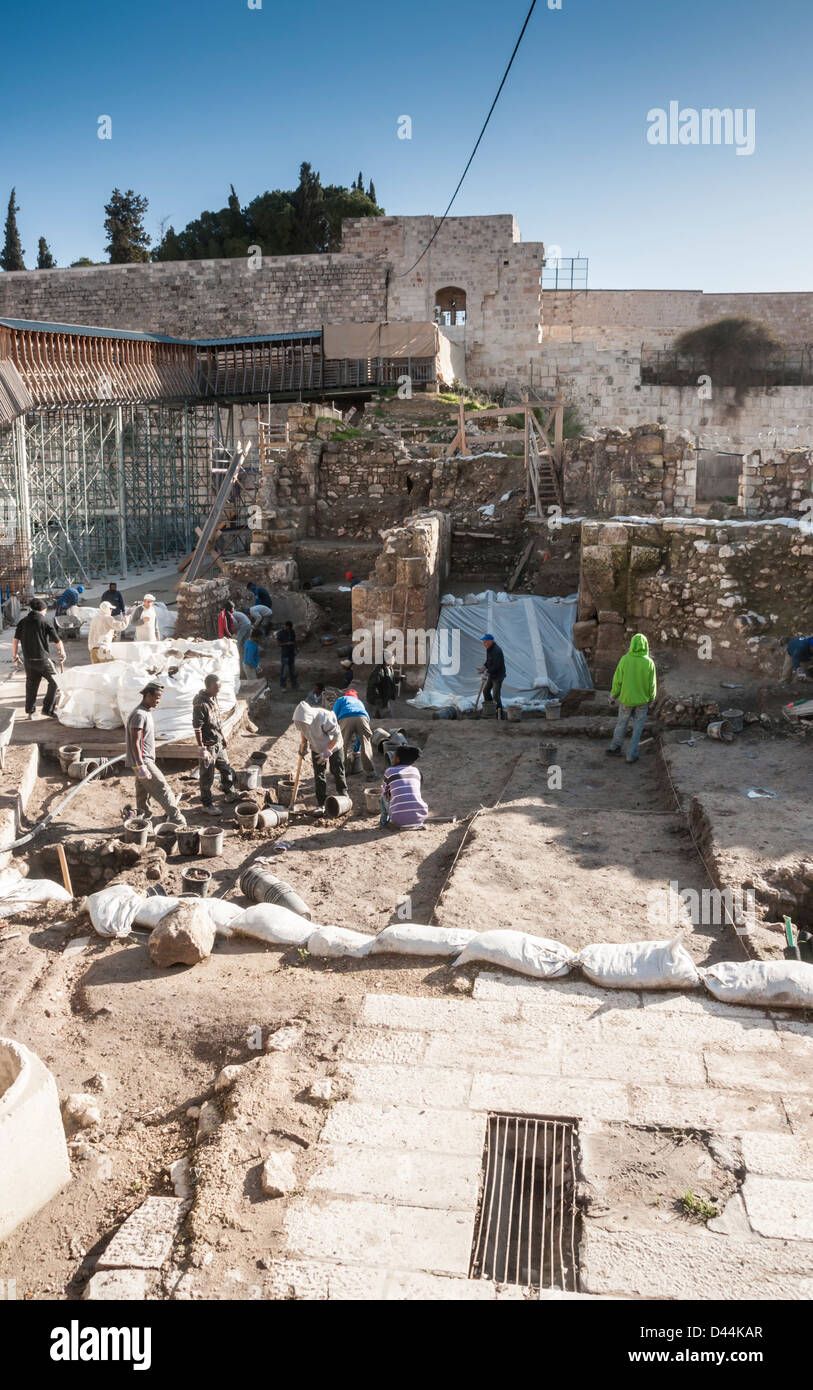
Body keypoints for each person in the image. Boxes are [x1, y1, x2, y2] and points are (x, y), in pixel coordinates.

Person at [125, 681, 186, 826]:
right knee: (162, 788)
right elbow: (135, 741)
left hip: (143, 761)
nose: (158, 701)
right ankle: (179, 821)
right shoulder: (139, 714)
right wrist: (141, 765)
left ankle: (143, 821)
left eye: (159, 698)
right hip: (143, 761)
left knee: (142, 794)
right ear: (147, 695)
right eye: (156, 697)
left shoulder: (145, 712)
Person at [606, 633, 657, 764]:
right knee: (637, 728)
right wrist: (651, 698)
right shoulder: (649, 663)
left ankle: (615, 747)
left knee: (621, 724)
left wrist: (613, 696)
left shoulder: (625, 660)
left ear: (632, 645)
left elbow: (617, 681)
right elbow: (652, 685)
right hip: (642, 702)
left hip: (626, 700)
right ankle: (631, 754)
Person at [13, 597, 66, 719]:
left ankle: (30, 712)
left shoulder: (23, 621)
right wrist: (62, 652)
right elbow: (57, 640)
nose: (46, 612)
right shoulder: (45, 621)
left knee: (31, 685)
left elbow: (15, 640)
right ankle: (47, 709)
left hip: (28, 661)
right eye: (45, 610)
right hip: (42, 660)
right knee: (56, 681)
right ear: (42, 609)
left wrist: (15, 656)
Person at [192, 674, 238, 815]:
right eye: (215, 688)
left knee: (226, 768)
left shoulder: (213, 698)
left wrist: (223, 737)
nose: (218, 691)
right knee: (207, 777)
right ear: (208, 687)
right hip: (208, 746)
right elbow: (197, 728)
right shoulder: (200, 704)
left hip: (217, 741)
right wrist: (202, 749)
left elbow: (217, 722)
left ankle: (229, 793)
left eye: (219, 688)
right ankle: (206, 804)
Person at [293, 699, 348, 812]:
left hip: (334, 747)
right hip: (317, 747)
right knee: (319, 774)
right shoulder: (301, 720)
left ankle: (344, 795)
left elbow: (336, 737)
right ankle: (321, 803)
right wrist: (303, 744)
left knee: (337, 770)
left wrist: (327, 752)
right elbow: (303, 731)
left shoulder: (324, 717)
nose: (302, 724)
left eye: (304, 722)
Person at [380, 746, 428, 831]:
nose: (392, 759)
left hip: (398, 819)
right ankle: (412, 820)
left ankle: (383, 824)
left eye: (393, 756)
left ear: (398, 759)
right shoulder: (416, 771)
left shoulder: (389, 771)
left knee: (382, 797)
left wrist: (389, 794)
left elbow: (384, 791)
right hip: (420, 816)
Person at [333, 687, 376, 779]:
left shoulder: (341, 699)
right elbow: (359, 737)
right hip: (362, 718)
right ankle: (370, 774)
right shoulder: (359, 702)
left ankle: (341, 774)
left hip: (346, 718)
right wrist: (356, 748)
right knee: (366, 743)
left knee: (342, 745)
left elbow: (334, 714)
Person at [479, 633, 506, 718]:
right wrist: (483, 667)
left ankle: (500, 715)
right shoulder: (489, 649)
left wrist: (486, 673)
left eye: (485, 642)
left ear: (491, 641)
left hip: (498, 676)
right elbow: (488, 661)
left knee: (496, 696)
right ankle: (491, 709)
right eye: (483, 642)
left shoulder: (496, 651)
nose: (483, 644)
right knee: (486, 691)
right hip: (492, 674)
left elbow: (496, 666)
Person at [276, 621, 297, 689]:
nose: (288, 629)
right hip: (285, 654)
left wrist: (296, 649)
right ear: (286, 626)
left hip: (291, 654)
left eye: (289, 628)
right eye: (287, 628)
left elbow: (294, 641)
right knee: (284, 671)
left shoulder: (292, 631)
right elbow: (278, 644)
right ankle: (283, 686)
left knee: (293, 671)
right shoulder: (280, 633)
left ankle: (294, 684)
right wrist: (286, 644)